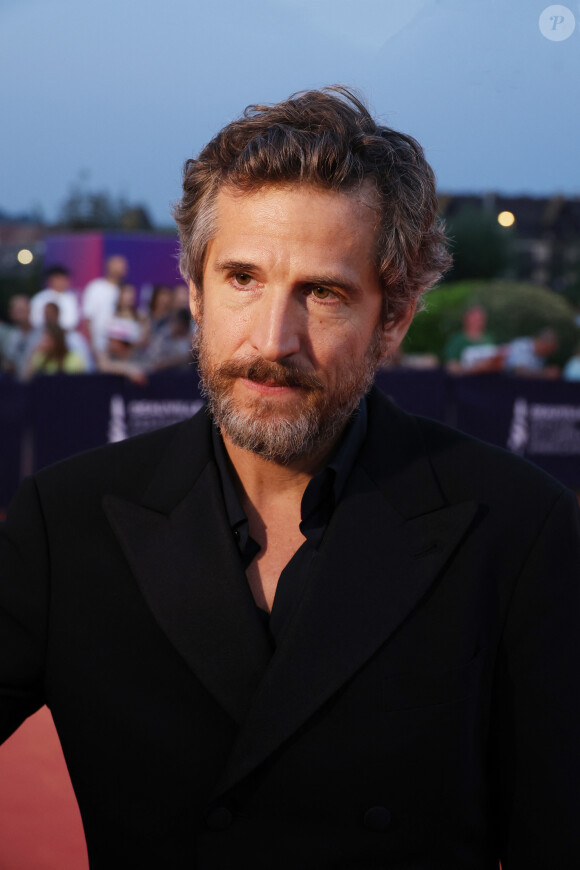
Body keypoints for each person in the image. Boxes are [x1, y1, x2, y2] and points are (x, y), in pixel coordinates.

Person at [1, 87, 579, 869]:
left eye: (324, 292)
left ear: (395, 315)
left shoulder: (517, 528)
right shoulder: (63, 523)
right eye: (243, 278)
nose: (273, 340)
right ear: (196, 291)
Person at [81, 254, 128, 353]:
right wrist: (91, 344)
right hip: (98, 346)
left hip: (120, 349)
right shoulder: (96, 287)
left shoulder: (126, 290)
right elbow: (87, 318)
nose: (120, 267)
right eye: (117, 264)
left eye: (122, 265)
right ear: (108, 266)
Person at [443, 304, 504, 373]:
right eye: (475, 319)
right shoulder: (457, 340)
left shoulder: (489, 338)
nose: (478, 322)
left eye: (480, 319)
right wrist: (474, 368)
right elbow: (451, 366)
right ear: (466, 319)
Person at [29, 265, 80, 332]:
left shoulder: (71, 298)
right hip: (43, 334)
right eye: (59, 279)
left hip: (66, 335)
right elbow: (35, 320)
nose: (62, 282)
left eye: (64, 279)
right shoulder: (39, 298)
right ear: (50, 280)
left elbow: (72, 322)